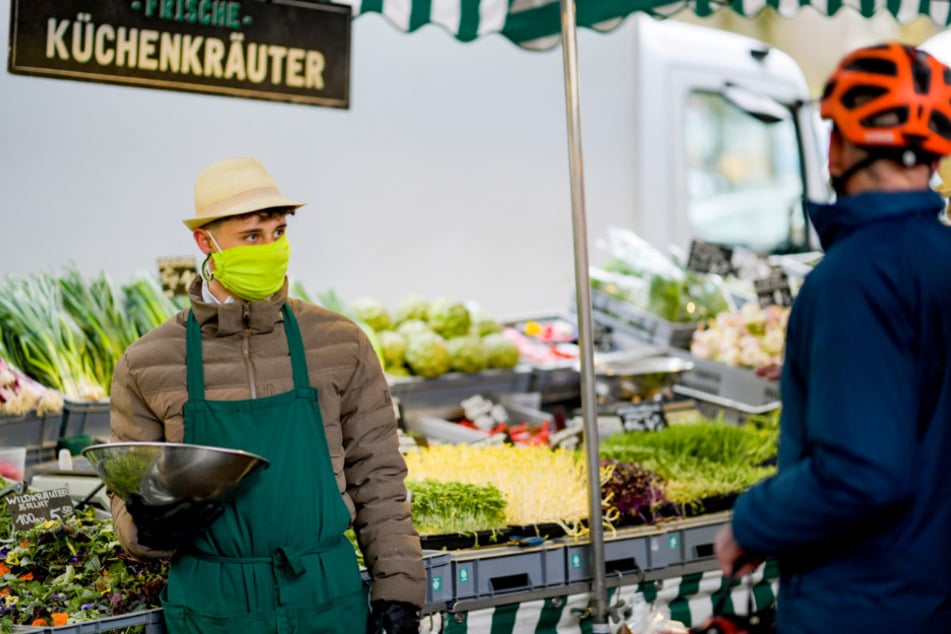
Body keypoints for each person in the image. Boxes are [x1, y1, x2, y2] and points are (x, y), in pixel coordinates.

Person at [108, 157, 425, 634]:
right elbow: (125, 490)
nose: (271, 248)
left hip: (325, 592)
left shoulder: (339, 342)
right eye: (252, 236)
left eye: (278, 233)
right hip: (213, 603)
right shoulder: (149, 362)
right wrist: (145, 529)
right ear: (205, 243)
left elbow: (377, 476)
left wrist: (399, 592)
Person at [714, 42, 951, 632]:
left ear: (836, 144)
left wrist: (753, 522)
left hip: (865, 604)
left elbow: (862, 472)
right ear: (935, 156)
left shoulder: (853, 278)